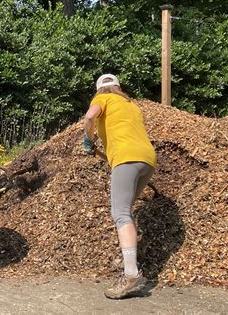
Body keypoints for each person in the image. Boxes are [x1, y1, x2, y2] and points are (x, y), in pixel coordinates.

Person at [83, 73, 157, 300]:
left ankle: (131, 275)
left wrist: (88, 139)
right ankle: (128, 259)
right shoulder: (130, 105)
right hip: (147, 160)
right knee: (127, 210)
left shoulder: (102, 99)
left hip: (126, 160)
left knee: (121, 213)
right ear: (118, 87)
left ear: (99, 90)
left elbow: (89, 117)